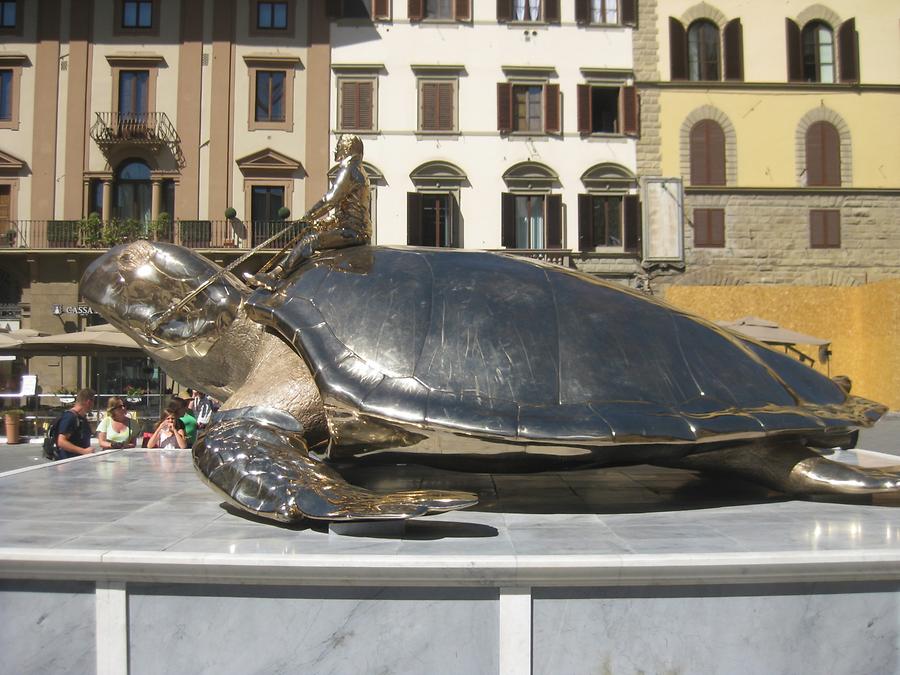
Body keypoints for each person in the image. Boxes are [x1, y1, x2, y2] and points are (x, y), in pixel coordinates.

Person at [244, 134, 371, 290]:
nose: (335, 149)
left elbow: (330, 199)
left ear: (347, 148)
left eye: (339, 145)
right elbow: (349, 208)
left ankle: (274, 276)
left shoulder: (349, 168)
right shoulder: (359, 170)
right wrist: (324, 222)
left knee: (310, 241)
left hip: (353, 231)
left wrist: (308, 216)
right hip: (356, 229)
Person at [56, 388, 95, 458]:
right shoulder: (70, 417)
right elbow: (61, 442)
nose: (93, 405)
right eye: (93, 401)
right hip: (69, 463)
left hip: (79, 462)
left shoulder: (82, 418)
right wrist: (84, 451)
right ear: (88, 402)